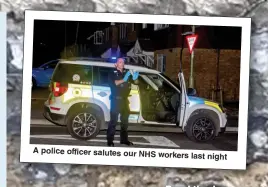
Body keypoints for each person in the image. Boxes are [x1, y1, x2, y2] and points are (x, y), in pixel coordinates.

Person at [107, 58, 139, 147]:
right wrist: (125, 79)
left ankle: (124, 140)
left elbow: (135, 82)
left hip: (125, 101)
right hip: (115, 100)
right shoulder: (111, 73)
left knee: (125, 122)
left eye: (123, 62)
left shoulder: (126, 73)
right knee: (113, 122)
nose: (122, 63)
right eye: (120, 62)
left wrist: (135, 78)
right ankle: (110, 141)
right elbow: (115, 83)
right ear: (116, 64)